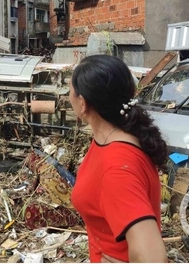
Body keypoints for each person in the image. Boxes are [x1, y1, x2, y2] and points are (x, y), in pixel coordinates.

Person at [70, 55, 168, 263]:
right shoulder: (120, 138)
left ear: (82, 103)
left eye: (69, 91)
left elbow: (153, 258)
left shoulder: (116, 168)